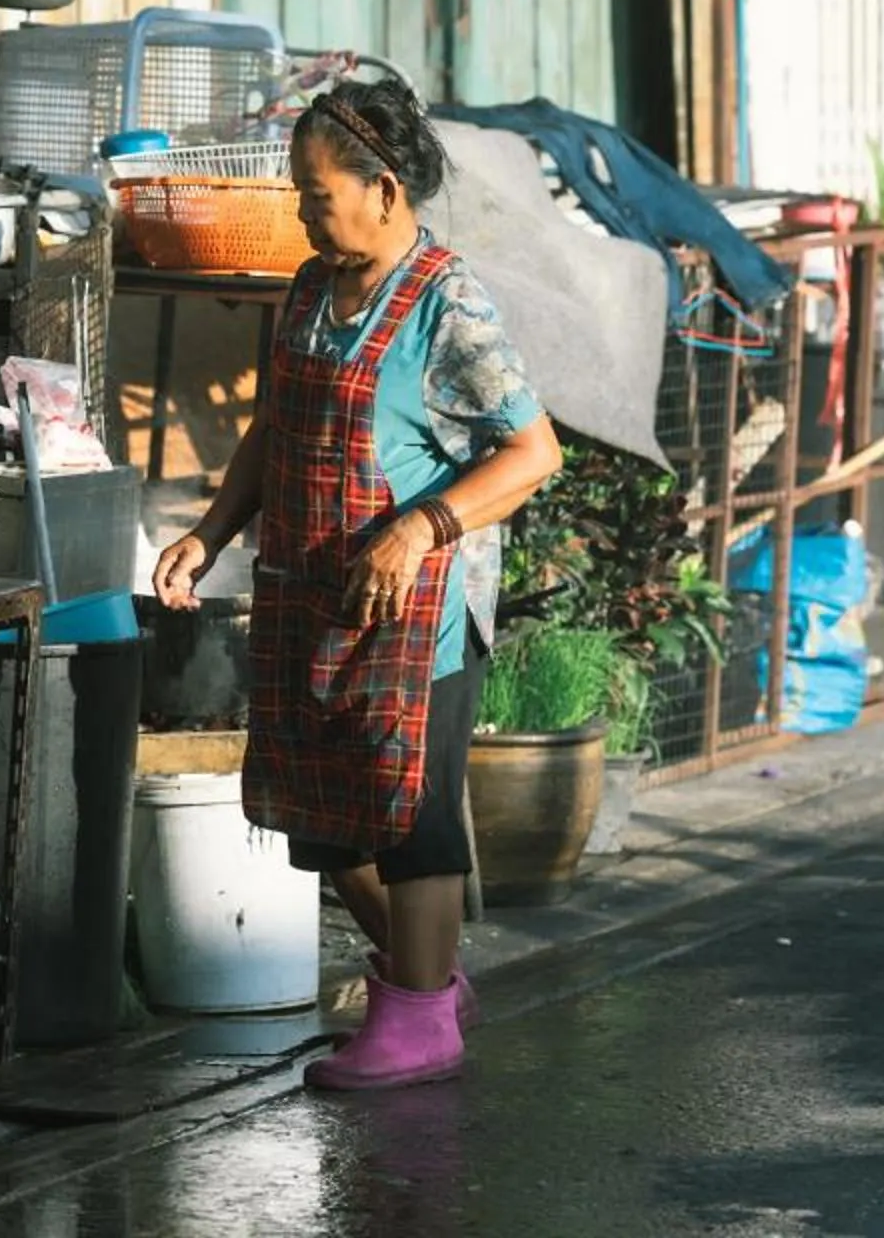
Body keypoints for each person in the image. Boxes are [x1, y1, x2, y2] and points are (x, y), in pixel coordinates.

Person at [153, 78, 561, 1091]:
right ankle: (426, 983)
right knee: (323, 816)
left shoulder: (446, 301)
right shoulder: (308, 287)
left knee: (408, 813)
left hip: (417, 608)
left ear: (384, 189)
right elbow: (274, 427)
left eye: (316, 192)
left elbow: (533, 453)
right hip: (311, 592)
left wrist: (423, 524)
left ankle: (418, 1018)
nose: (303, 210)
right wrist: (209, 531)